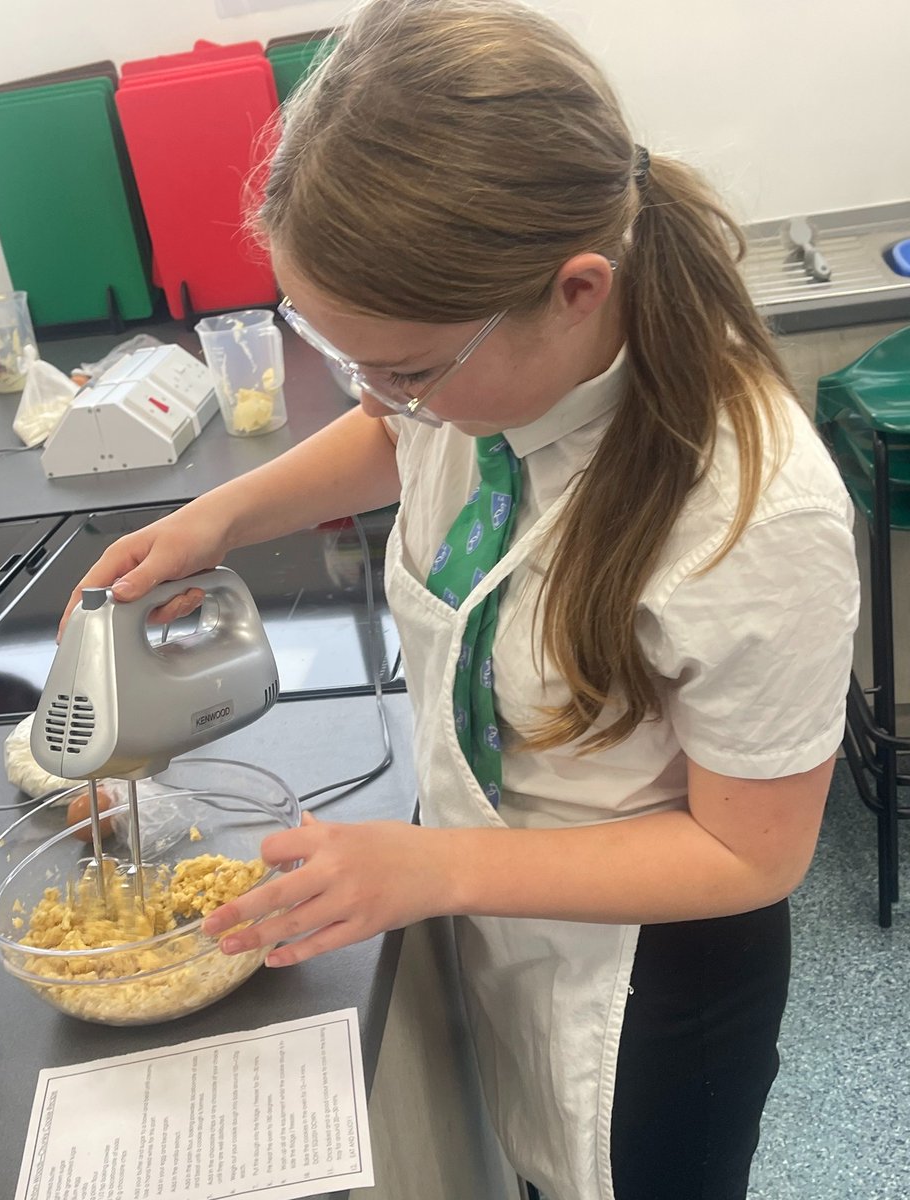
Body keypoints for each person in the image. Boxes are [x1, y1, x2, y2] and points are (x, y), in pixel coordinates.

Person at [60, 2, 859, 1197]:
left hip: (652, 981)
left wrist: (441, 871)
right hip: (502, 896)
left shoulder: (752, 513)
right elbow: (396, 436)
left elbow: (751, 855)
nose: (382, 397)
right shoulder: (479, 379)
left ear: (579, 290)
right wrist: (219, 516)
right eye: (346, 361)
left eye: (407, 368)